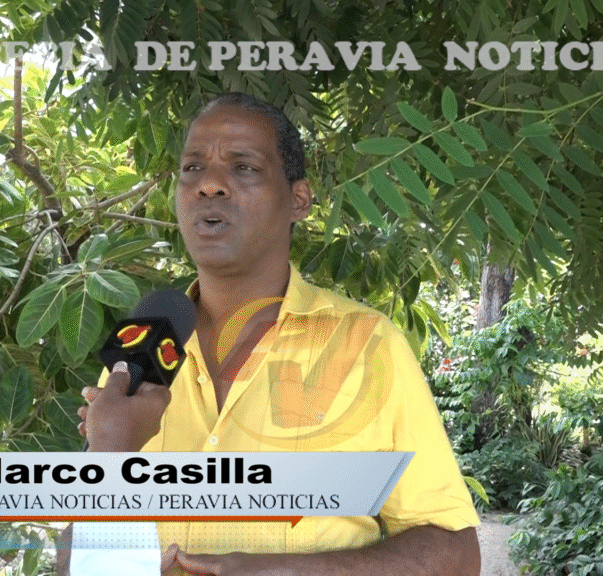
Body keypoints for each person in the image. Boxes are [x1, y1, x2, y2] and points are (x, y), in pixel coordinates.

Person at [78, 93, 482, 576]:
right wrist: (110, 455)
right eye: (192, 167)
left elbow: (456, 555)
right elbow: (74, 562)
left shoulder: (367, 346)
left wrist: (289, 570)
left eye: (243, 167)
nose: (209, 184)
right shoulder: (140, 354)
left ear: (299, 200)